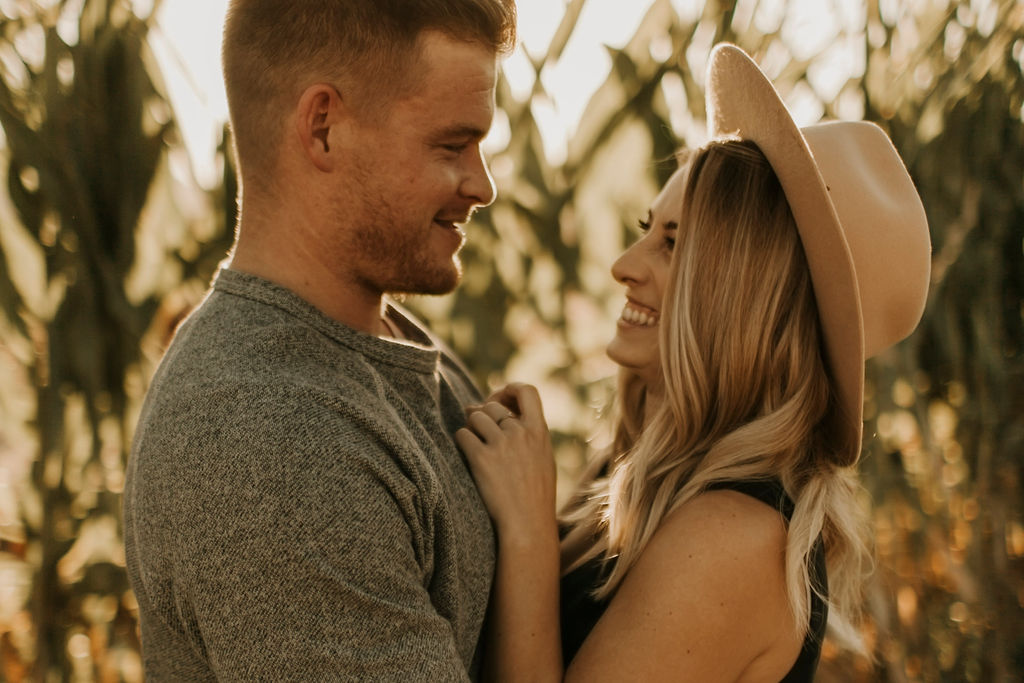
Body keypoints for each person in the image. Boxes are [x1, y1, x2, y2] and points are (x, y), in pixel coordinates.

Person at [456, 43, 931, 681]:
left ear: (744, 294)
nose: (625, 265)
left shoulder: (737, 539)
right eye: (646, 227)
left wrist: (525, 536)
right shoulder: (644, 478)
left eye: (673, 245)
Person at [123, 0, 516, 678]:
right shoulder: (270, 440)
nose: (482, 186)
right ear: (325, 127)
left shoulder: (380, 340)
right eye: (452, 146)